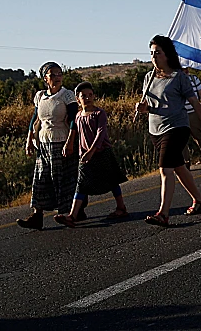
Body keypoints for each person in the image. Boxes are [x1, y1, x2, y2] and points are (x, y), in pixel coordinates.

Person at [135, 35, 201, 227]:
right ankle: (199, 200)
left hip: (176, 127)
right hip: (156, 129)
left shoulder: (179, 77)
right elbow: (151, 105)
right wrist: (144, 109)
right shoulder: (148, 78)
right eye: (151, 53)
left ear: (167, 54)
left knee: (165, 168)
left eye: (158, 53)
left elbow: (194, 102)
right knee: (178, 167)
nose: (154, 57)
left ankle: (163, 213)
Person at [54, 82, 129, 227]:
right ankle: (72, 216)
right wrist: (69, 145)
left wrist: (91, 151)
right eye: (83, 96)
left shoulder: (99, 114)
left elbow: (101, 134)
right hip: (84, 155)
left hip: (102, 152)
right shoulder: (78, 116)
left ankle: (121, 207)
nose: (87, 98)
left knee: (112, 180)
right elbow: (74, 131)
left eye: (90, 95)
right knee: (81, 184)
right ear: (78, 99)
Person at [17, 62, 80, 230]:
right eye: (53, 74)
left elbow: (74, 119)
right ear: (45, 78)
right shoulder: (40, 96)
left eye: (59, 74)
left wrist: (70, 141)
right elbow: (35, 118)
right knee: (40, 178)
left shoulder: (67, 95)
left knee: (61, 178)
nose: (57, 77)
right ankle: (37, 215)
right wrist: (29, 139)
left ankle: (69, 213)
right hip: (43, 143)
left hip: (61, 141)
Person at [183, 67, 201, 167]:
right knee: (182, 140)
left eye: (186, 68)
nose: (185, 70)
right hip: (180, 114)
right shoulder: (174, 80)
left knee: (199, 136)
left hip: (193, 112)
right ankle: (186, 162)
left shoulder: (193, 79)